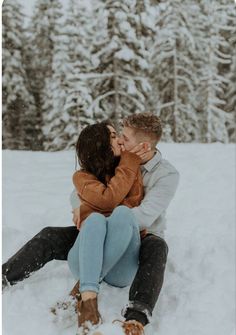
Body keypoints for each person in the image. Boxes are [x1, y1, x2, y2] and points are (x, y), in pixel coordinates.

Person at [2, 113, 179, 335]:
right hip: (98, 227)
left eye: (124, 137)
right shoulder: (119, 158)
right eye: (119, 136)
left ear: (143, 145)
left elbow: (143, 216)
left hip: (140, 237)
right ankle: (5, 276)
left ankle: (136, 316)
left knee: (158, 247)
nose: (120, 141)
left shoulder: (165, 174)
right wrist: (79, 206)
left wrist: (100, 217)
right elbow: (84, 188)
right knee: (51, 235)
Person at [67, 121, 146, 333]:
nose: (120, 139)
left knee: (122, 213)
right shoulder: (81, 177)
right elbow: (108, 200)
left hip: (122, 266)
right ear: (99, 143)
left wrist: (86, 208)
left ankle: (81, 289)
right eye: (112, 136)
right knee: (94, 220)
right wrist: (90, 211)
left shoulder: (129, 165)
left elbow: (130, 204)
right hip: (83, 261)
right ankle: (89, 306)